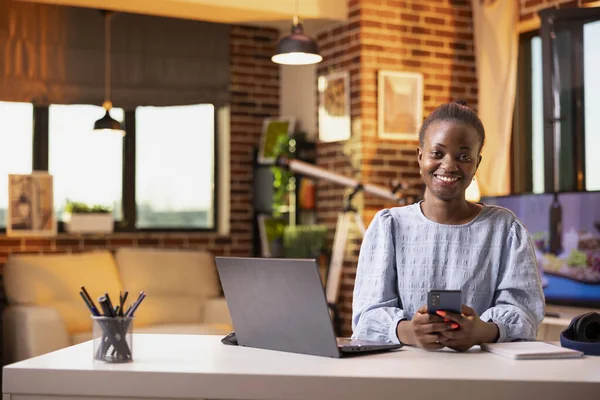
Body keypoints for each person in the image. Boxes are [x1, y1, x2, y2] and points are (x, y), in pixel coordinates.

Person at [351, 100, 545, 352]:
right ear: (420, 157)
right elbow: (366, 316)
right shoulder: (388, 226)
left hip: (484, 374)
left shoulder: (505, 228)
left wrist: (480, 331)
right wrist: (410, 331)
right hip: (403, 374)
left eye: (464, 156)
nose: (449, 165)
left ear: (477, 163)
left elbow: (525, 311)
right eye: (437, 153)